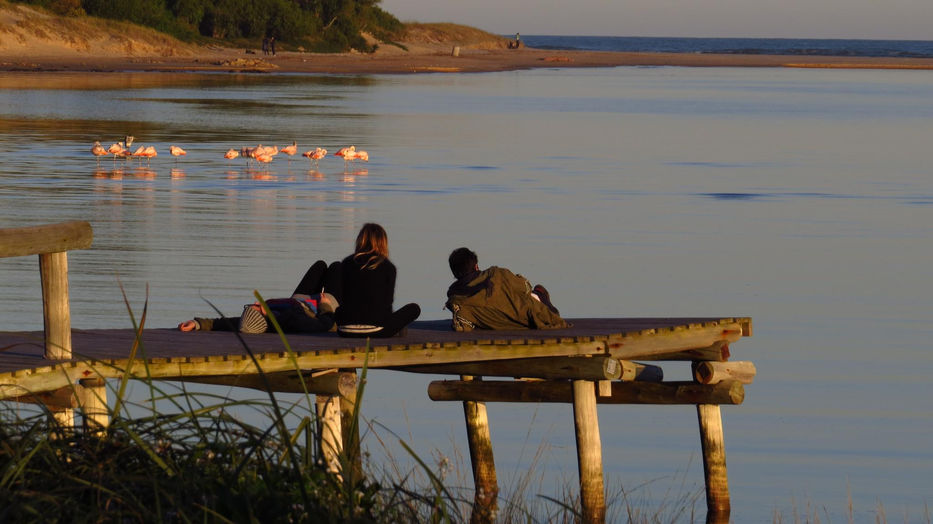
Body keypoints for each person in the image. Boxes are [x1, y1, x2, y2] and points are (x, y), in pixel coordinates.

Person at [178, 260, 341, 334]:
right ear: (263, 315)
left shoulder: (258, 320)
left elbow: (224, 323)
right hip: (317, 307)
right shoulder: (292, 321)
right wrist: (325, 305)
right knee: (337, 267)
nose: (256, 302)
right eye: (255, 307)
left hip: (297, 301)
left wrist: (197, 323)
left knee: (320, 265)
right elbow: (325, 326)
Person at [444, 247, 569, 331]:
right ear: (476, 266)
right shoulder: (496, 274)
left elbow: (463, 327)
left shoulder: (457, 301)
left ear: (454, 274)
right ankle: (540, 294)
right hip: (538, 316)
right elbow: (524, 287)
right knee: (534, 292)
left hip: (509, 325)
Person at [334, 223, 420, 338]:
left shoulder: (346, 263)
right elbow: (388, 302)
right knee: (414, 309)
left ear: (360, 240)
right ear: (383, 242)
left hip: (345, 329)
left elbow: (342, 297)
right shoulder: (388, 267)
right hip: (377, 330)